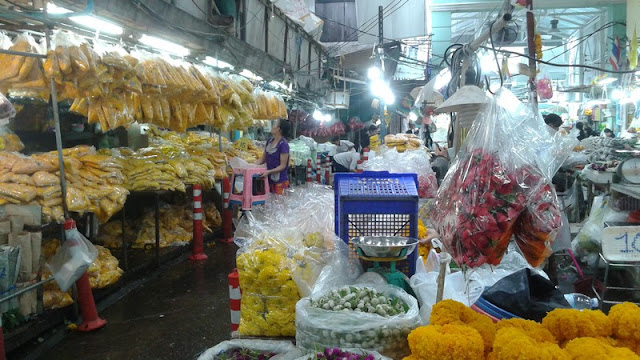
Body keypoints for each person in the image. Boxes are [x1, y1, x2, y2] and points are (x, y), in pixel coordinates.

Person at [256, 119, 291, 195]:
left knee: (279, 205)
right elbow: (262, 159)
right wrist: (250, 165)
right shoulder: (269, 141)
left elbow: (283, 166)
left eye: (274, 124)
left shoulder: (283, 144)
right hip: (268, 179)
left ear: (279, 129)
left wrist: (269, 172)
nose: (272, 126)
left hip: (280, 181)